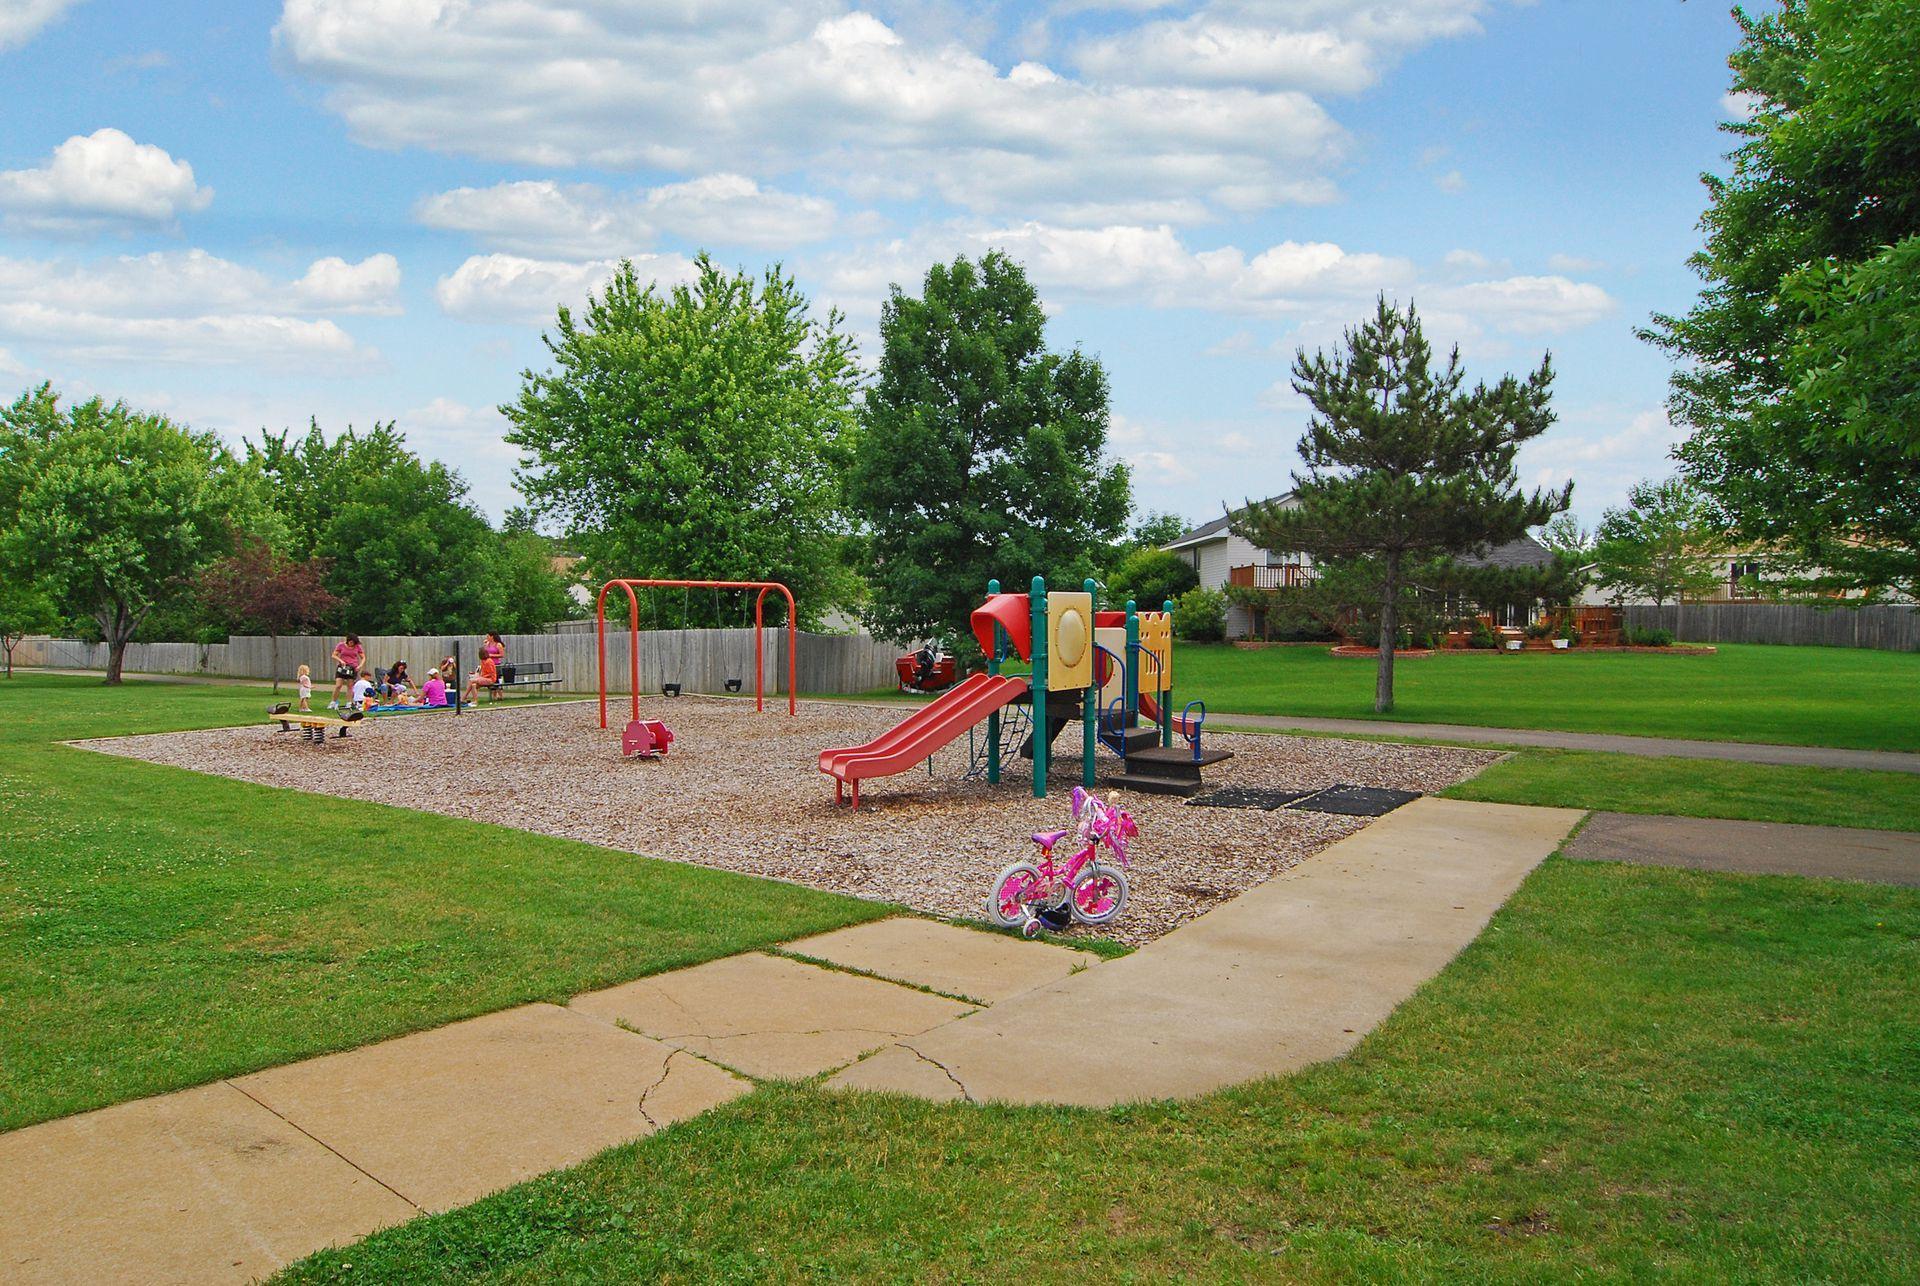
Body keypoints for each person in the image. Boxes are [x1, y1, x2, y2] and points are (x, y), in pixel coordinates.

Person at [329, 634, 364, 709]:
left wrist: (360, 666)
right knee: (338, 685)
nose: (352, 644)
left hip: (353, 668)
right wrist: (341, 660)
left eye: (353, 643)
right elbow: (334, 655)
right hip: (342, 667)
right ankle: (333, 702)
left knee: (350, 686)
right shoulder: (341, 645)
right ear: (348, 641)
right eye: (351, 642)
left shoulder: (357, 647)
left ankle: (349, 703)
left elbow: (363, 657)